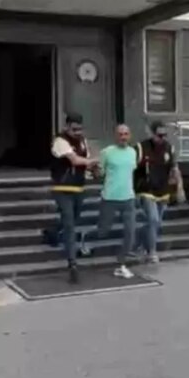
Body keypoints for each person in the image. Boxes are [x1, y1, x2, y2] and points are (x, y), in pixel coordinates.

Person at [50, 113, 95, 284]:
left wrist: (93, 169)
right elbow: (75, 160)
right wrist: (92, 161)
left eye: (80, 129)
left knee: (71, 220)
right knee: (70, 224)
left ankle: (52, 233)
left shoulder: (83, 141)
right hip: (62, 188)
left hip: (78, 188)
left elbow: (85, 161)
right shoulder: (60, 141)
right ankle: (72, 264)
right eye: (74, 129)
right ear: (67, 127)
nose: (77, 132)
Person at [134, 120, 182, 264]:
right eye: (159, 135)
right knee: (153, 219)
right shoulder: (141, 147)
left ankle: (139, 240)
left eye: (165, 135)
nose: (162, 138)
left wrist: (179, 188)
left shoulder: (169, 148)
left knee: (156, 223)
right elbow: (131, 168)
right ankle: (152, 252)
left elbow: (174, 168)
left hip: (163, 190)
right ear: (152, 134)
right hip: (146, 189)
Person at [95, 124, 139, 279]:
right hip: (110, 198)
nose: (123, 137)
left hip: (128, 198)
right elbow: (99, 173)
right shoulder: (106, 152)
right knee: (103, 231)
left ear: (130, 136)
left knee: (130, 232)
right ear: (115, 136)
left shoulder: (133, 152)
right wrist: (95, 170)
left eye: (126, 134)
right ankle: (84, 242)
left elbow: (131, 172)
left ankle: (121, 263)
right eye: (120, 134)